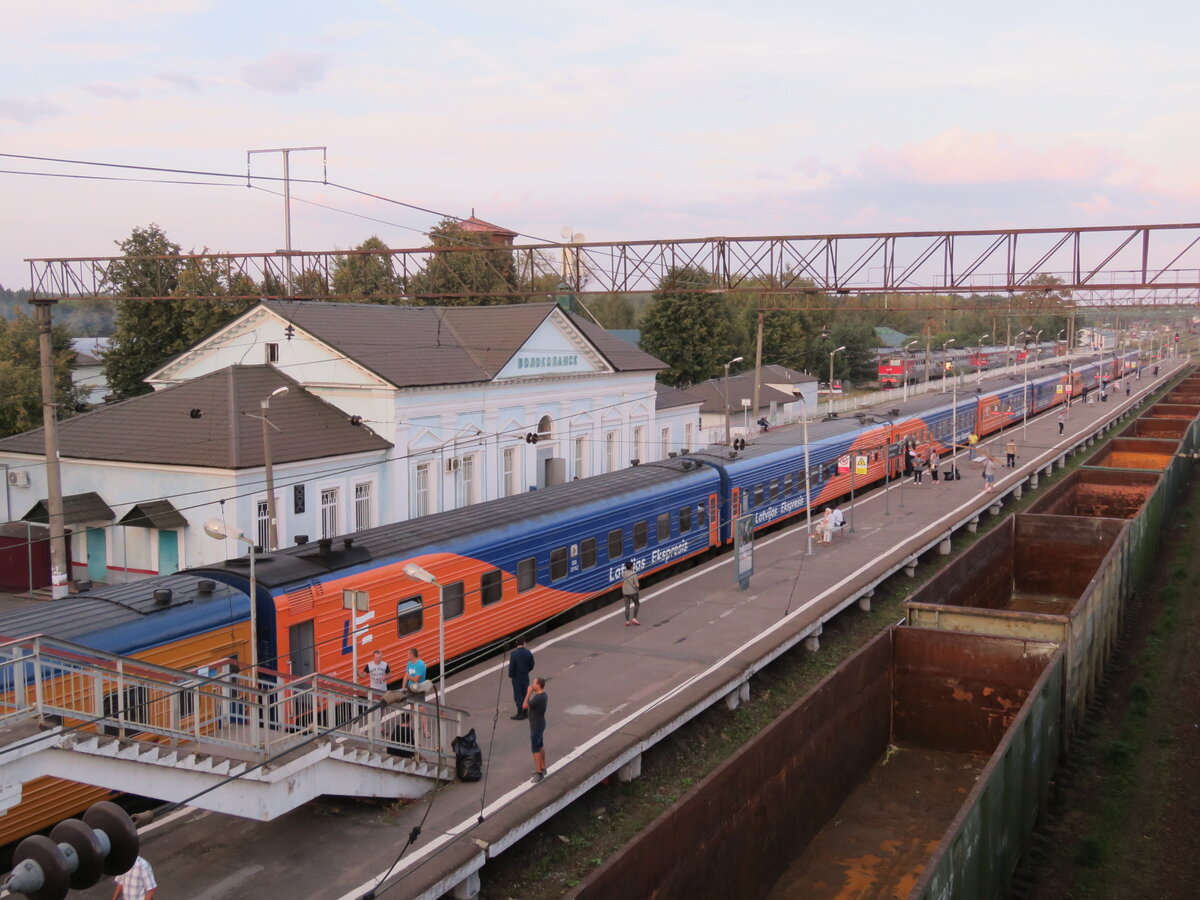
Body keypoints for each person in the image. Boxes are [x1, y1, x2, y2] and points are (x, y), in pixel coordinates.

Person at [524, 677, 548, 783]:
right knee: (540, 746)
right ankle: (543, 767)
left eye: (534, 683)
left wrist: (528, 693)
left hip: (536, 726)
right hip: (541, 723)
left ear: (538, 685)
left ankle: (539, 773)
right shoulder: (544, 695)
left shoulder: (537, 698)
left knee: (535, 749)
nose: (532, 685)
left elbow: (524, 705)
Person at [508, 637, 535, 720]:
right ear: (524, 643)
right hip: (525, 676)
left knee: (518, 695)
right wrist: (527, 670)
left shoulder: (514, 654)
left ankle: (519, 713)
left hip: (516, 677)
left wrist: (511, 675)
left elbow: (512, 667)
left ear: (516, 643)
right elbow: (532, 665)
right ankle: (525, 712)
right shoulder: (528, 653)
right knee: (525, 694)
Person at [621, 560, 640, 626]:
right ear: (631, 567)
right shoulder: (634, 574)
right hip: (632, 592)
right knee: (637, 604)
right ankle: (634, 618)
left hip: (625, 592)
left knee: (627, 606)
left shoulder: (624, 573)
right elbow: (637, 585)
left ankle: (627, 621)